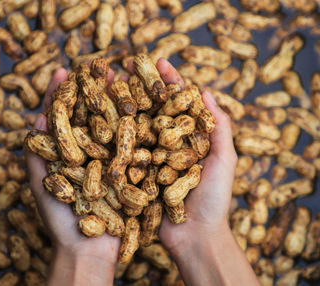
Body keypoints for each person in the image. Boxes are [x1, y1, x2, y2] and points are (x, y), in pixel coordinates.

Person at [25, 58, 261, 286]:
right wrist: (204, 236)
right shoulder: (103, 153)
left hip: (134, 171)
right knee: (93, 146)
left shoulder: (157, 149)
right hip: (110, 171)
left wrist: (204, 234)